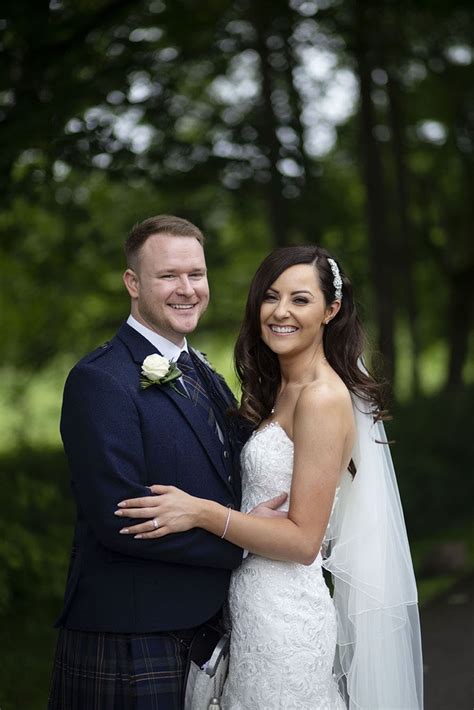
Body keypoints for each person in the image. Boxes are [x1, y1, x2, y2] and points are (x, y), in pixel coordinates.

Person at [118, 245, 423, 709]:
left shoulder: (321, 398)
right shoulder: (280, 387)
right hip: (249, 607)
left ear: (331, 310)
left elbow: (304, 541)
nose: (281, 312)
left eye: (300, 299)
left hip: (285, 620)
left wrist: (200, 513)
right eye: (271, 296)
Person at [49, 215, 284, 710]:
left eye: (196, 274)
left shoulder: (204, 371)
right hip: (133, 634)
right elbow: (121, 519)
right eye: (168, 276)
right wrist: (243, 540)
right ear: (132, 283)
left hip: (207, 625)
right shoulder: (101, 380)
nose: (187, 289)